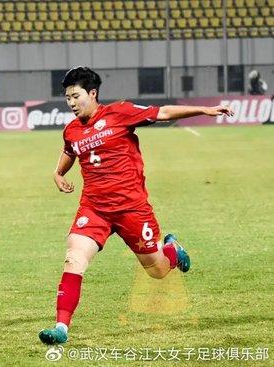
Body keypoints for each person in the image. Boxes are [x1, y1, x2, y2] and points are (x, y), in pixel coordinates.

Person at [38, 66, 234, 345]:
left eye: (75, 96)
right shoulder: (71, 130)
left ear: (92, 93)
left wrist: (203, 110)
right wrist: (58, 173)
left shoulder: (120, 113)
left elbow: (162, 112)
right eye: (67, 97)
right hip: (94, 209)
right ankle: (61, 327)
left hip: (132, 209)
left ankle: (173, 251)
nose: (70, 103)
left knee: (157, 270)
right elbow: (70, 150)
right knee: (74, 258)